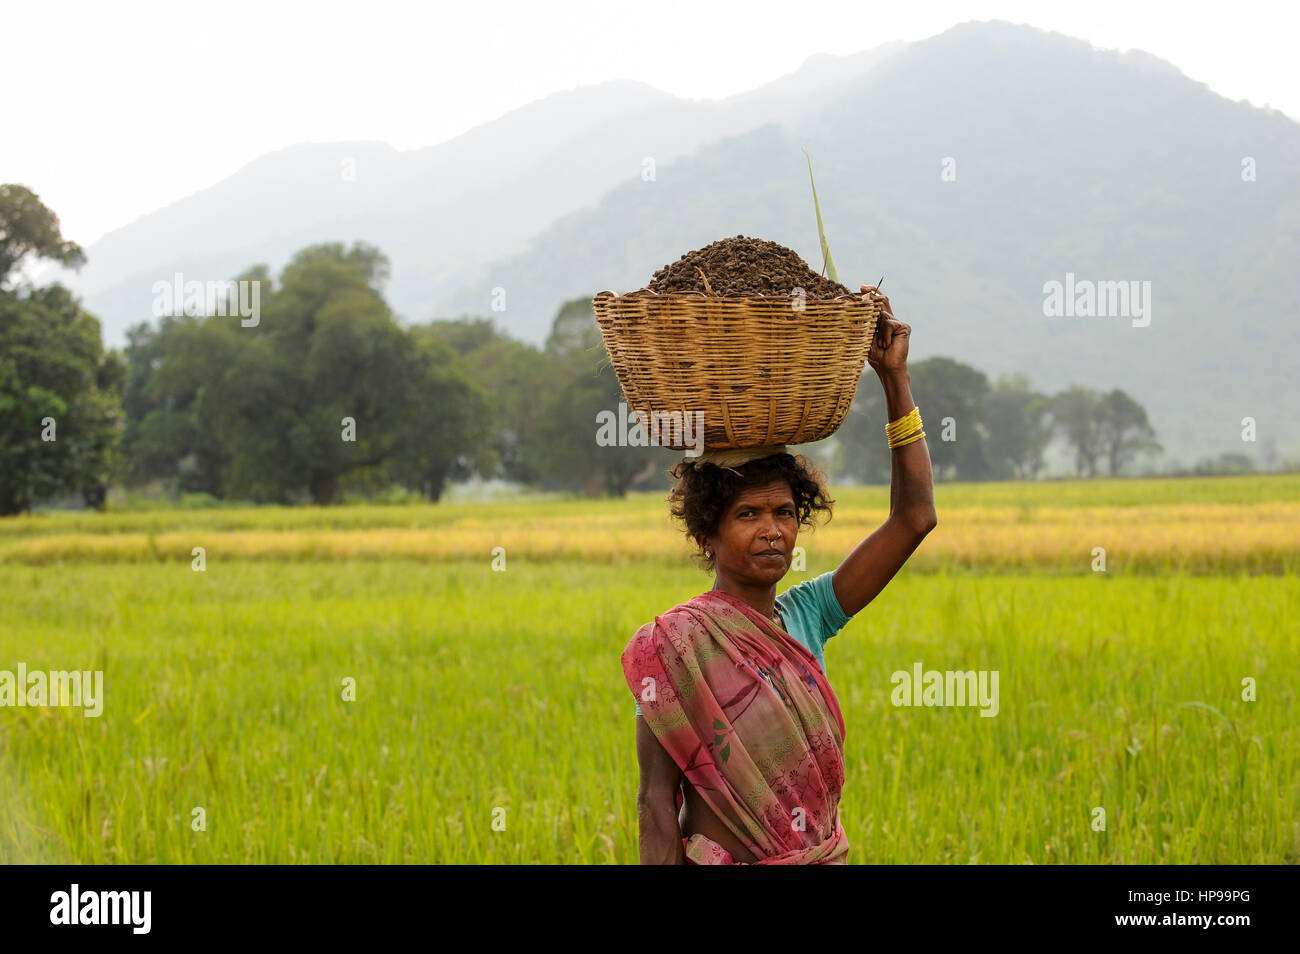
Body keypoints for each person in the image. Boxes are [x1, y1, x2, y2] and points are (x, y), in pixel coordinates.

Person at [623, 284, 937, 864]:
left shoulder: (810, 613)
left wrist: (895, 380)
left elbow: (915, 518)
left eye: (784, 513)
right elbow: (655, 800)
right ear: (706, 533)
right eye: (748, 514)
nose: (772, 530)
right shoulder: (674, 649)